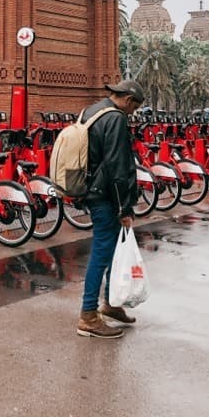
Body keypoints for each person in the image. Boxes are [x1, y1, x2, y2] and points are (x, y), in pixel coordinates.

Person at [76, 78, 145, 339]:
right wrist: (125, 207)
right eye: (134, 109)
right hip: (105, 195)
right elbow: (118, 167)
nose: (132, 113)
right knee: (102, 253)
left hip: (91, 188)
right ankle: (88, 315)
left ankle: (112, 305)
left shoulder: (91, 111)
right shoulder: (116, 118)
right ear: (128, 100)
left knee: (113, 251)